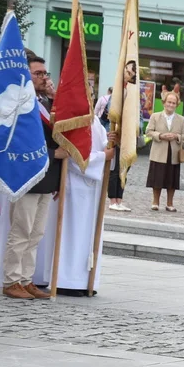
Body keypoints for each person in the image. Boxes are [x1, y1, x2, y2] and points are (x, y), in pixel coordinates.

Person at [2, 53, 67, 300]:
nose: (43, 77)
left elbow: (57, 137)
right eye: (38, 73)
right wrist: (54, 154)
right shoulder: (19, 105)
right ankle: (11, 280)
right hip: (27, 175)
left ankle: (26, 279)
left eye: (44, 73)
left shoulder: (44, 103)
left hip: (46, 177)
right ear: (26, 75)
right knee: (21, 231)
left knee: (36, 232)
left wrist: (58, 175)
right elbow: (19, 144)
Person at [33, 118, 116, 297]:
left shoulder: (94, 120)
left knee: (87, 235)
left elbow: (102, 146)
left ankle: (85, 280)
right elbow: (72, 155)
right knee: (71, 233)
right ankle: (66, 280)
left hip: (93, 187)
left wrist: (110, 143)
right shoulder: (74, 119)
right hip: (74, 185)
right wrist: (103, 157)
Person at [145, 91, 184, 212]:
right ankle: (155, 201)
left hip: (173, 153)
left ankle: (170, 203)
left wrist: (176, 136)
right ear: (164, 103)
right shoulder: (155, 116)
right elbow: (148, 131)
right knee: (157, 178)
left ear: (177, 105)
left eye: (174, 103)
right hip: (159, 151)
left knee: (171, 179)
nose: (171, 105)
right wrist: (160, 135)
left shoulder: (181, 119)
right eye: (169, 102)